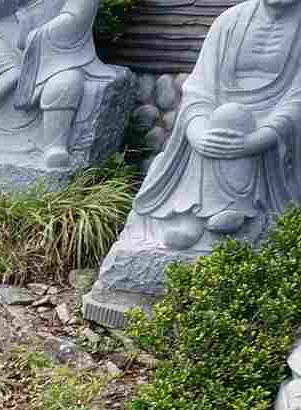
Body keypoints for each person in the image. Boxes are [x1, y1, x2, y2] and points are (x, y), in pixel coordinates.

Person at [127, 0, 301, 250]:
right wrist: (197, 130)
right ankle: (200, 210)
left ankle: (226, 211)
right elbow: (200, 87)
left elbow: (298, 98)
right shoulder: (230, 20)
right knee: (222, 120)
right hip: (219, 118)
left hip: (274, 121)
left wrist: (264, 135)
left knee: (232, 119)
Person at [0, 0, 122, 172]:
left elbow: (74, 19)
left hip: (61, 52)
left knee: (65, 83)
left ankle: (55, 147)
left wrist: (35, 37)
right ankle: (8, 70)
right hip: (20, 32)